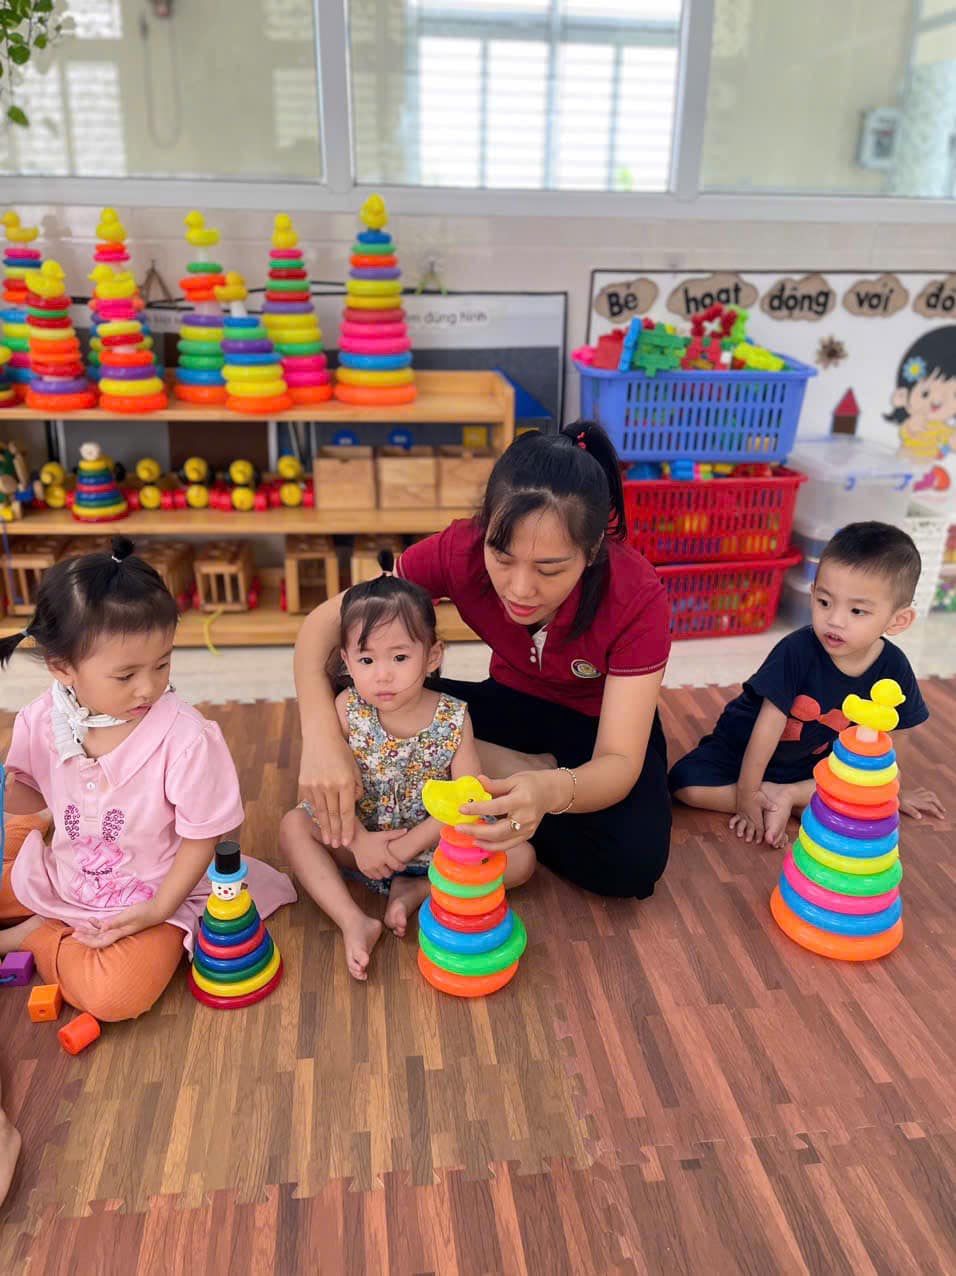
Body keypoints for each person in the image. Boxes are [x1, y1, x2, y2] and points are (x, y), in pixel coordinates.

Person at [294, 423, 673, 899]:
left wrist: (551, 790)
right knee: (353, 680)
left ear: (592, 550)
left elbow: (618, 760)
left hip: (593, 725)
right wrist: (321, 740)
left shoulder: (636, 596)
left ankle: (455, 797)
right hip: (507, 706)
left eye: (549, 569)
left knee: (632, 864)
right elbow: (324, 626)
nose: (520, 588)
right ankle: (494, 780)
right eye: (502, 557)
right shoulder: (461, 549)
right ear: (486, 528)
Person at [0, 537, 296, 1021]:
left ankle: (37, 934)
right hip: (63, 872)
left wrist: (158, 909)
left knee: (116, 995)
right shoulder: (40, 718)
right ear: (62, 668)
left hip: (157, 894)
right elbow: (29, 794)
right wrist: (6, 789)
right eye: (126, 676)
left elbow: (202, 837)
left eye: (163, 663)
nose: (149, 687)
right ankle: (49, 915)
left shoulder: (187, 739)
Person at [281, 559, 535, 980]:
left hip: (435, 845)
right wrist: (360, 842)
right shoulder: (346, 710)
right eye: (366, 660)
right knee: (293, 827)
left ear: (432, 655)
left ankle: (419, 887)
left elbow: (468, 798)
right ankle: (353, 920)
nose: (383, 675)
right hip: (363, 844)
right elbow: (320, 794)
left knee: (522, 858)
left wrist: (406, 848)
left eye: (399, 657)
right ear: (346, 661)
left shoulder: (454, 717)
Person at [670, 522, 945, 847]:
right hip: (743, 751)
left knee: (867, 789)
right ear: (813, 593)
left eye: (857, 611)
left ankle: (787, 795)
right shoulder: (796, 650)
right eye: (825, 602)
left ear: (898, 621)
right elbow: (767, 726)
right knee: (685, 786)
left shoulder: (894, 667)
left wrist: (893, 790)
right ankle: (785, 800)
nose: (835, 620)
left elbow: (898, 734)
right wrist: (747, 795)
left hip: (811, 765)